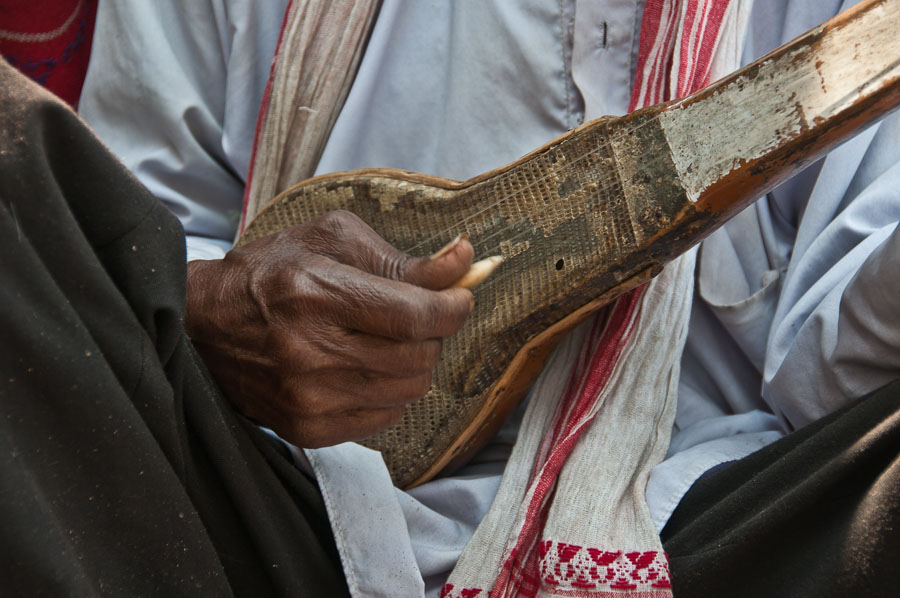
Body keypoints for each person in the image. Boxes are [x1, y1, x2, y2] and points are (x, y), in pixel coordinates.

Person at [2, 0, 899, 596]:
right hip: (279, 512)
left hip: (728, 523)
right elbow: (124, 244)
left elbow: (828, 378)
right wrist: (213, 304)